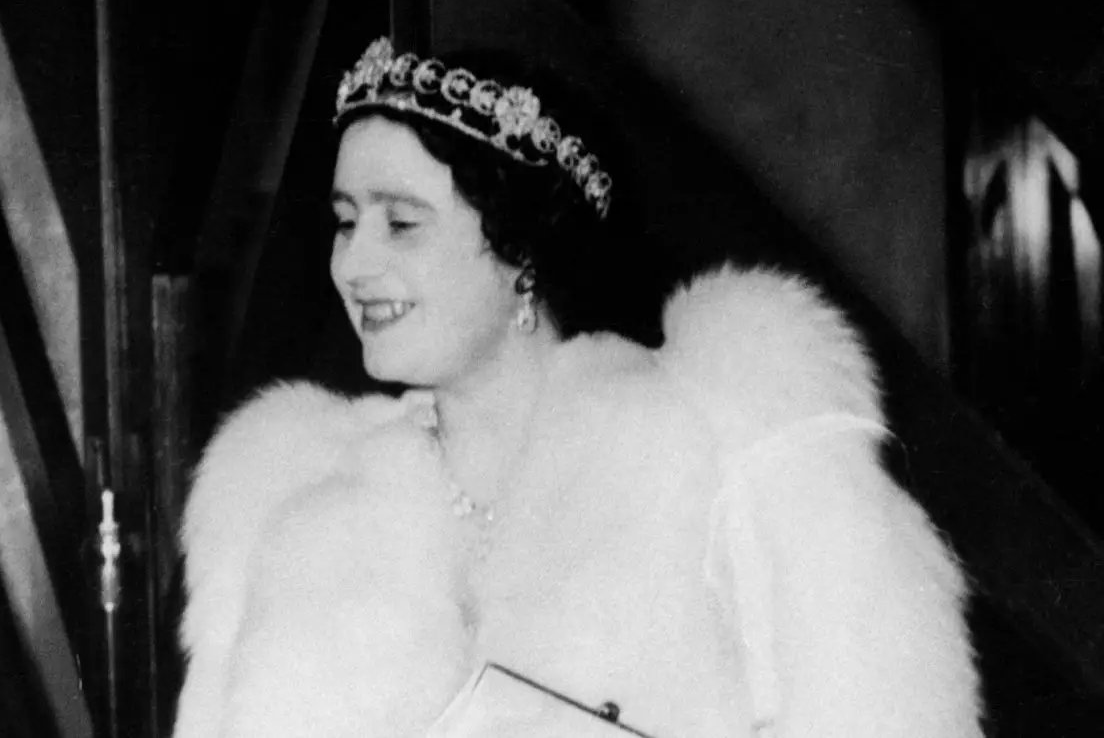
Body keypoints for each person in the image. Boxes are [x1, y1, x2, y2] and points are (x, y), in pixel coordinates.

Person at [172, 37, 983, 738]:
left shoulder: (719, 444)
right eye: (346, 221)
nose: (353, 264)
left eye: (402, 223)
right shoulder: (293, 501)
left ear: (520, 250)